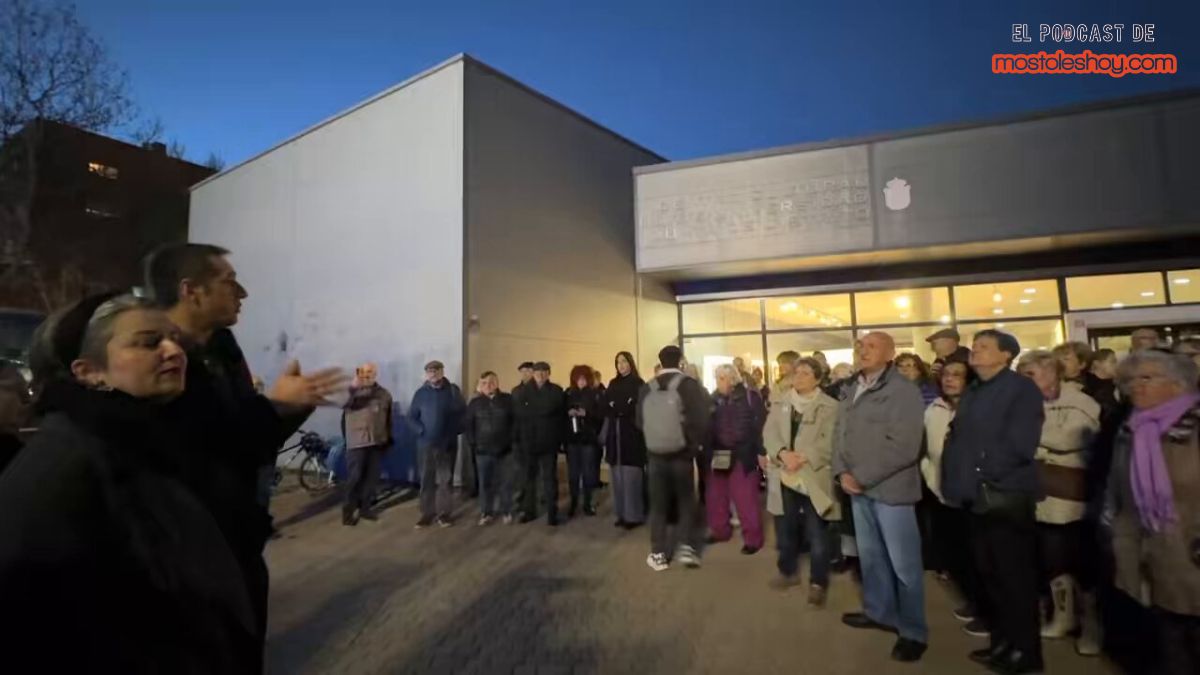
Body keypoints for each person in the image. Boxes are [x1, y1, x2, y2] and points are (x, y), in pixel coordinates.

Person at [0, 294, 258, 671]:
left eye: (176, 341)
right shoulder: (69, 464)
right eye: (148, 342)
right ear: (89, 371)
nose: (174, 351)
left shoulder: (144, 445)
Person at [143, 243, 343, 661]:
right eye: (229, 281)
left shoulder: (223, 346)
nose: (243, 293)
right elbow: (199, 447)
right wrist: (274, 406)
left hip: (238, 541)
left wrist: (289, 409)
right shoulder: (152, 358)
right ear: (191, 290)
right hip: (186, 557)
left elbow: (245, 440)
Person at [941, 330, 1045, 675]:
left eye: (985, 346)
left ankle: (1026, 652)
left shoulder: (1020, 389)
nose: (976, 351)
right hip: (974, 496)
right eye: (976, 345)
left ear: (1006, 355)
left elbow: (1020, 445)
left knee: (1015, 579)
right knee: (990, 576)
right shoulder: (975, 389)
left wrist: (982, 470)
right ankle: (1002, 642)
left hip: (1003, 495)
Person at [832, 331, 928, 663]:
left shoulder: (903, 391)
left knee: (904, 566)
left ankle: (913, 631)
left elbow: (904, 446)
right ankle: (880, 612)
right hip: (857, 489)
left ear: (890, 353)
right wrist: (841, 471)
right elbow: (840, 433)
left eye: (872, 345)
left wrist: (861, 476)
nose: (863, 350)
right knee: (871, 558)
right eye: (860, 345)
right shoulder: (851, 386)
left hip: (891, 491)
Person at [1106, 351, 1200, 675]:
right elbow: (1120, 494)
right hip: (1153, 557)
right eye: (1133, 379)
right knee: (1168, 646)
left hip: (1192, 553)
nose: (1137, 386)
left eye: (1148, 378)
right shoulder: (1132, 430)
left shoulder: (1193, 426)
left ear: (1179, 384)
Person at [1016, 350, 1102, 653]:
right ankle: (1063, 616)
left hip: (1073, 497)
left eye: (1031, 375)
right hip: (1040, 495)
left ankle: (1092, 625)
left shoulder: (1081, 402)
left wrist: (1033, 442)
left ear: (1052, 374)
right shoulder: (1025, 404)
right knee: (1051, 560)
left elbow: (1071, 439)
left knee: (1082, 563)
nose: (1023, 382)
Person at [764, 357, 840, 607]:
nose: (799, 377)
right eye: (797, 372)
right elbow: (769, 432)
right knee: (784, 528)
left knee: (816, 531)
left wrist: (804, 457)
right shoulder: (781, 402)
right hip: (784, 470)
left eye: (806, 373)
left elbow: (833, 442)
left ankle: (818, 582)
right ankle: (788, 572)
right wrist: (782, 453)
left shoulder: (830, 406)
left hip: (812, 474)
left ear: (818, 378)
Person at [918, 358, 985, 635]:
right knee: (958, 553)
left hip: (975, 493)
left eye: (957, 375)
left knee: (981, 556)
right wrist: (930, 476)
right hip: (940, 491)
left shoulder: (979, 408)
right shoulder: (934, 409)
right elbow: (925, 449)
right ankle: (974, 600)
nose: (949, 379)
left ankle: (988, 610)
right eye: (946, 374)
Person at [638, 345, 711, 572]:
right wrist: (691, 447)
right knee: (686, 500)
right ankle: (687, 547)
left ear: (660, 362)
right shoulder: (689, 385)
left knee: (658, 505)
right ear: (680, 361)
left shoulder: (646, 388)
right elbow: (701, 420)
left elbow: (639, 422)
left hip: (655, 456)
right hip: (682, 455)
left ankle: (658, 553)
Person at [705, 364, 766, 554]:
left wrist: (761, 452)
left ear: (732, 379)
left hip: (743, 454)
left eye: (722, 378)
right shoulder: (713, 399)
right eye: (717, 378)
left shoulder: (750, 397)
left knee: (746, 499)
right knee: (716, 497)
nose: (718, 382)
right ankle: (720, 530)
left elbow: (760, 427)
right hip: (718, 454)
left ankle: (753, 539)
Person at [409, 360, 466, 529]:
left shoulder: (453, 391)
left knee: (445, 481)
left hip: (447, 444)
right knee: (426, 479)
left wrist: (455, 431)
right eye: (430, 371)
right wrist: (421, 431)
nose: (433, 374)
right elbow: (411, 417)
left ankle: (444, 515)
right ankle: (427, 514)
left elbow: (464, 413)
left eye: (436, 370)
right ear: (426, 374)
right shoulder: (420, 393)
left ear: (442, 372)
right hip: (426, 444)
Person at [340, 362, 393, 526]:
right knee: (355, 478)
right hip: (357, 443)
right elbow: (343, 404)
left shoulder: (384, 394)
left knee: (371, 479)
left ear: (375, 373)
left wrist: (387, 438)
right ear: (360, 373)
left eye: (371, 372)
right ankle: (348, 511)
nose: (368, 375)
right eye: (364, 372)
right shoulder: (351, 392)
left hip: (376, 442)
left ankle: (365, 509)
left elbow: (388, 418)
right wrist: (353, 388)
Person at [514, 362, 565, 525]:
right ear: (533, 374)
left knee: (549, 478)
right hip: (529, 441)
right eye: (537, 373)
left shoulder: (556, 391)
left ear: (549, 374)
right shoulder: (523, 391)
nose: (541, 375)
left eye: (544, 372)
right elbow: (519, 414)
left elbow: (558, 413)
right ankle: (529, 511)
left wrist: (535, 409)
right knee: (529, 479)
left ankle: (552, 512)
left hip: (549, 441)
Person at [464, 371, 515, 525]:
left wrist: (511, 441)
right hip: (483, 452)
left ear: (497, 383)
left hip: (505, 451)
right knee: (485, 484)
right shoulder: (475, 403)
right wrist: (474, 443)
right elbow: (468, 425)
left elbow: (515, 422)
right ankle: (486, 513)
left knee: (506, 483)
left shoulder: (507, 400)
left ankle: (507, 511)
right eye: (485, 382)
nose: (489, 385)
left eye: (492, 381)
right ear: (480, 385)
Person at [605, 351, 647, 529]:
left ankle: (633, 516)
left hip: (631, 435)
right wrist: (621, 406)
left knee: (631, 478)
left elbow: (636, 407)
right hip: (615, 436)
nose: (621, 365)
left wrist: (620, 407)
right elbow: (607, 404)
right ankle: (621, 514)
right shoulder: (613, 383)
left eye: (623, 361)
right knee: (617, 478)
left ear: (630, 363)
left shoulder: (638, 384)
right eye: (618, 362)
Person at [565, 365, 603, 518]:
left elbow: (601, 416)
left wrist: (586, 413)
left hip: (588, 439)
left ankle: (588, 503)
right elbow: (561, 414)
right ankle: (573, 502)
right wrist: (569, 413)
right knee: (573, 474)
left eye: (583, 378)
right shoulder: (568, 393)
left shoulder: (595, 394)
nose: (581, 381)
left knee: (589, 473)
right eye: (578, 378)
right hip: (572, 440)